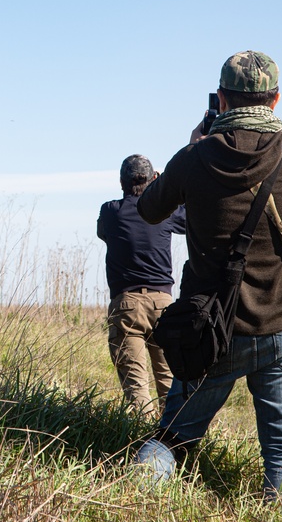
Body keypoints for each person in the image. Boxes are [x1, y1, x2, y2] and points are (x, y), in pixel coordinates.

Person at [135, 51, 282, 505]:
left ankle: (135, 501)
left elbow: (149, 209)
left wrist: (192, 147)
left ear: (221, 99)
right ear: (276, 100)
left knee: (172, 439)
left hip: (212, 331)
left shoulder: (195, 158)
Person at [97, 155, 185, 415]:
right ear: (152, 180)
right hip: (163, 305)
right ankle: (173, 441)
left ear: (121, 182)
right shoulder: (166, 213)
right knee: (170, 384)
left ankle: (140, 444)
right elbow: (192, 217)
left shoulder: (111, 211)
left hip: (127, 306)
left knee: (136, 390)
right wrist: (162, 188)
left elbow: (104, 233)